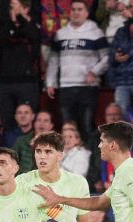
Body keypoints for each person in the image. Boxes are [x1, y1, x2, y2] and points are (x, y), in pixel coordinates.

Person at [46, 0, 109, 140]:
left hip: (88, 88)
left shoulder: (96, 33)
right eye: (73, 9)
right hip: (66, 87)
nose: (76, 12)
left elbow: (106, 58)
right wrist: (50, 81)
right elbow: (53, 60)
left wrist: (94, 72)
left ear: (86, 13)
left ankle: (88, 160)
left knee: (86, 126)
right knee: (68, 128)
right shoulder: (60, 34)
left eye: (80, 9)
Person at [0, 0, 41, 136]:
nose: (16, 11)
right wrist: (12, 21)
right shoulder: (4, 27)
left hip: (27, 83)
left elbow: (33, 35)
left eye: (20, 8)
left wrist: (20, 17)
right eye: (13, 8)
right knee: (7, 124)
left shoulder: (33, 26)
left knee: (27, 123)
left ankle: (27, 155)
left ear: (27, 9)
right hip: (5, 83)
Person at [88, 103, 125, 193]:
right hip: (101, 181)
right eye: (109, 115)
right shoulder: (96, 136)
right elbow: (91, 161)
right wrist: (97, 181)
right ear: (105, 117)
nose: (112, 118)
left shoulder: (128, 138)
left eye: (116, 114)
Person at [12, 109, 55, 174]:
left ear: (51, 125)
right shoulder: (22, 141)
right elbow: (10, 160)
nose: (42, 123)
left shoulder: (55, 144)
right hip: (23, 179)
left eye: (45, 121)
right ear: (34, 124)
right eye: (39, 120)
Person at [109, 14, 133, 113]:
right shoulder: (121, 31)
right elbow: (111, 56)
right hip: (122, 82)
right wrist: (116, 57)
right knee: (122, 120)